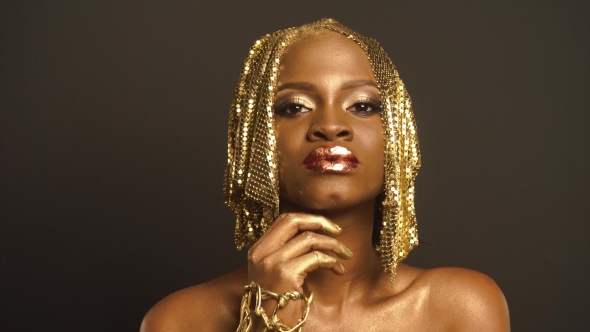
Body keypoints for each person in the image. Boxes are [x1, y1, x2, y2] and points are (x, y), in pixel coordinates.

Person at [140, 18, 510, 331]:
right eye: (295, 107)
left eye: (363, 105)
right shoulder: (182, 320)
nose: (331, 126)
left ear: (398, 134)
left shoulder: (460, 309)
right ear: (254, 139)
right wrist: (270, 313)